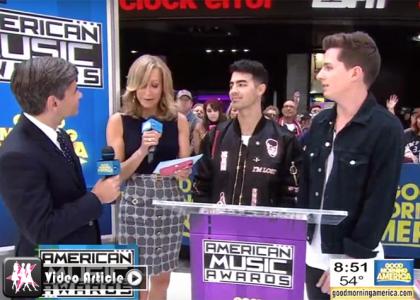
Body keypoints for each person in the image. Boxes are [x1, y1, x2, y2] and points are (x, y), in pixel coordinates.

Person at [298, 32, 404, 299]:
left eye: (329, 67)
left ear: (355, 73)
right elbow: (307, 185)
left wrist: (350, 262)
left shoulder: (386, 128)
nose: (320, 75)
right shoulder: (321, 122)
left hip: (359, 258)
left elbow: (380, 202)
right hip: (313, 255)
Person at [0, 57, 121, 257]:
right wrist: (97, 198)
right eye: (74, 91)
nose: (80, 95)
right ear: (54, 102)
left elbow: (68, 194)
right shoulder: (17, 156)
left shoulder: (60, 135)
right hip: (46, 270)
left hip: (79, 256)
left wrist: (104, 192)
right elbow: (42, 230)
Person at [106, 55, 190, 300]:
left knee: (163, 275)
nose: (148, 92)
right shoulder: (119, 121)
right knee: (137, 276)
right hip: (135, 201)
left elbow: (183, 165)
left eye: (154, 85)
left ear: (164, 87)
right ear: (132, 85)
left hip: (169, 200)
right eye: (142, 84)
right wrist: (142, 150)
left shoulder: (179, 121)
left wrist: (182, 171)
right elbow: (116, 174)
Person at [193, 59, 301, 207]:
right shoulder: (215, 136)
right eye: (232, 85)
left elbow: (291, 194)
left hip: (267, 228)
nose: (233, 90)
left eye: (242, 84)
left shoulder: (284, 139)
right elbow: (201, 187)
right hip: (221, 226)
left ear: (260, 89)